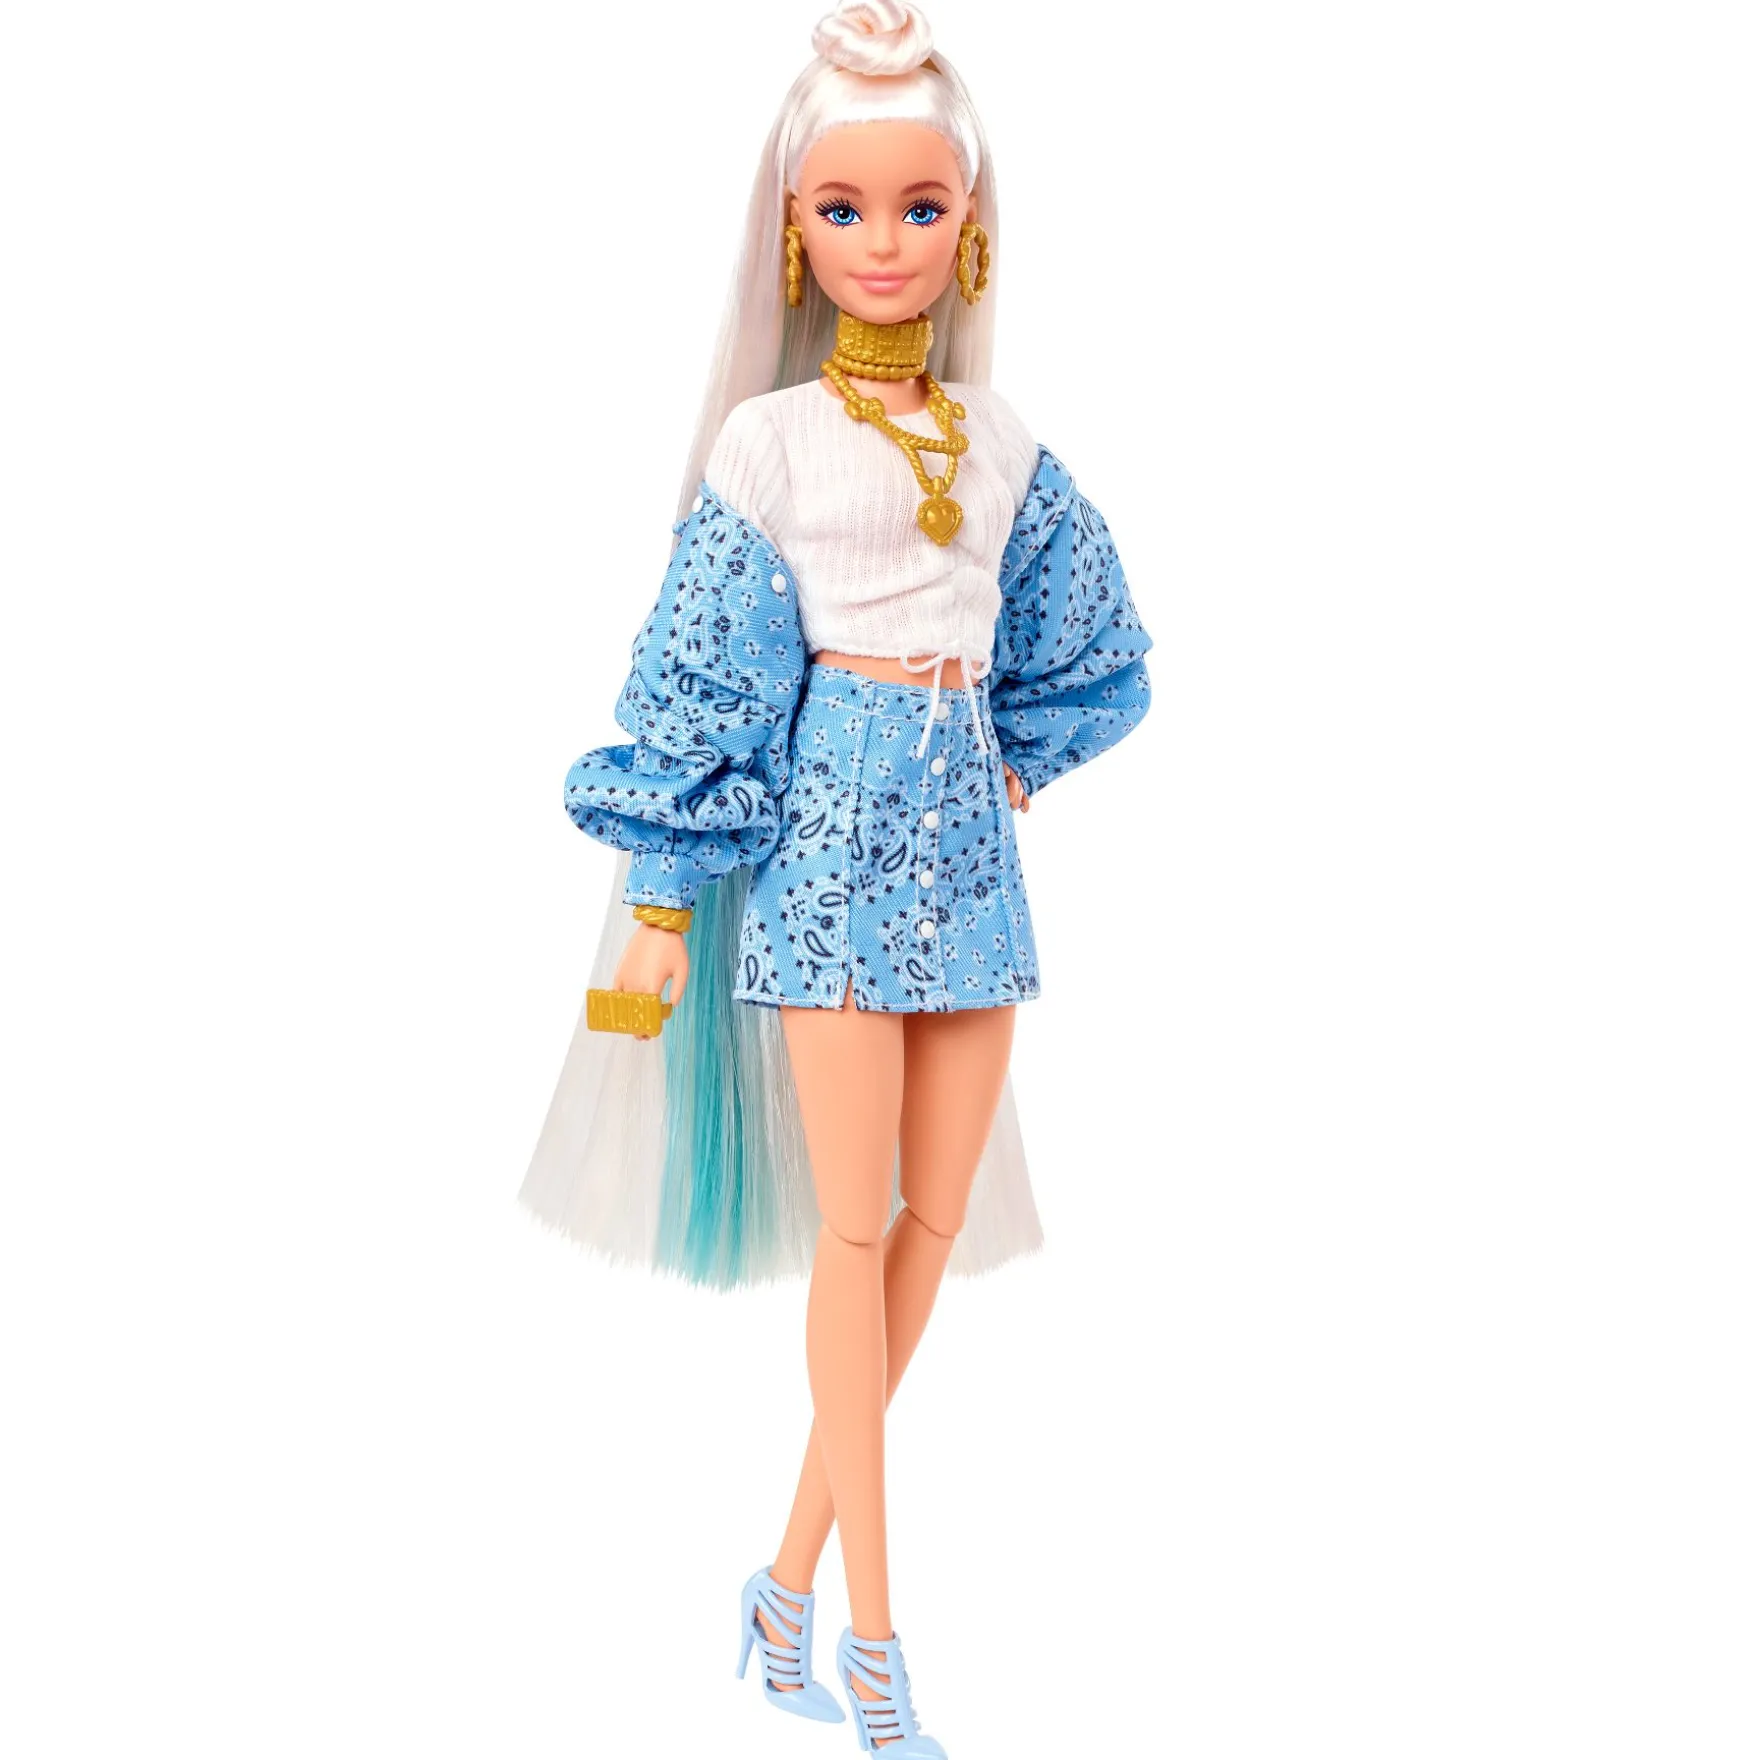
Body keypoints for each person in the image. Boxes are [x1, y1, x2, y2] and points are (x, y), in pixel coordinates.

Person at [520, 3, 1153, 1750]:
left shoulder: (1004, 441)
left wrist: (1015, 753)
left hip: (970, 854)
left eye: (922, 206)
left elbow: (1099, 644)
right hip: (827, 856)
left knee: (929, 1228)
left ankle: (783, 1583)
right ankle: (877, 1646)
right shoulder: (770, 444)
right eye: (846, 207)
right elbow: (702, 682)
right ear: (792, 228)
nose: (887, 241)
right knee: (855, 1230)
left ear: (975, 225)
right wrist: (660, 905)